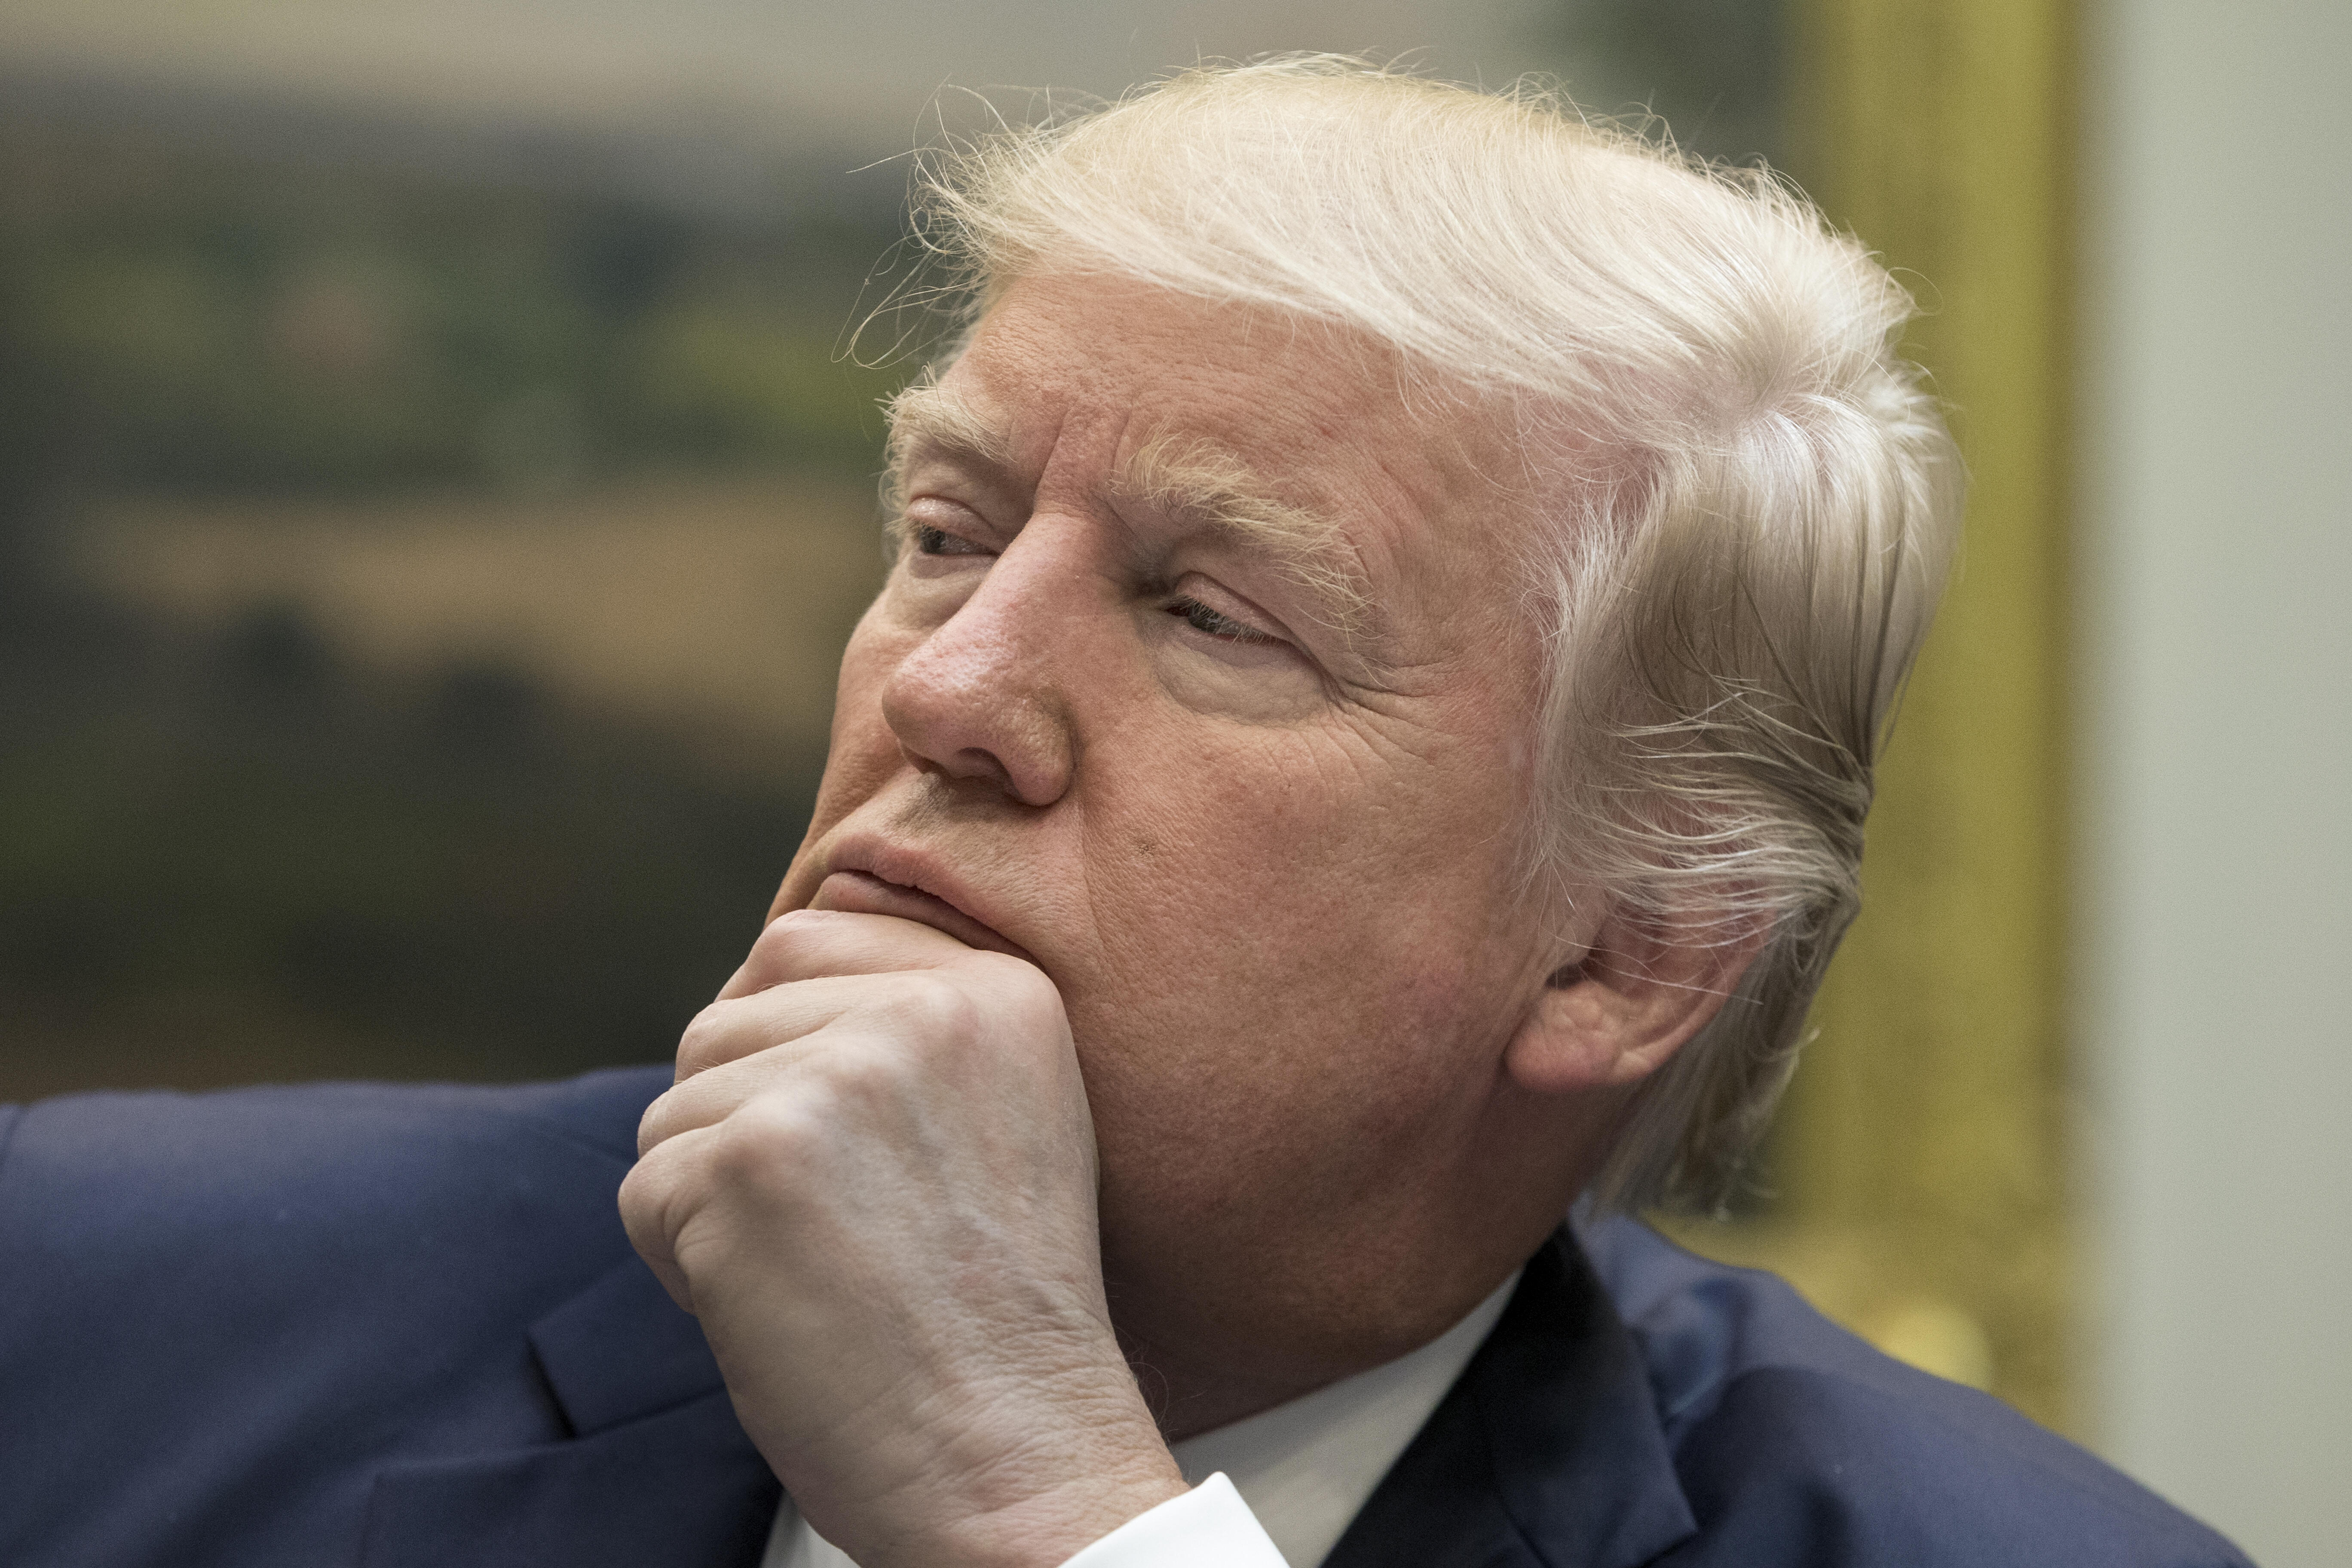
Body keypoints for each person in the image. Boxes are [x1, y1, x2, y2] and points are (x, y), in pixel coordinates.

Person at [0, 57, 2249, 1568]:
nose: (953, 691)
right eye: (954, 534)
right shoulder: (87, 1311)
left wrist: (1042, 1509)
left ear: (1626, 950)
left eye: (1212, 615)